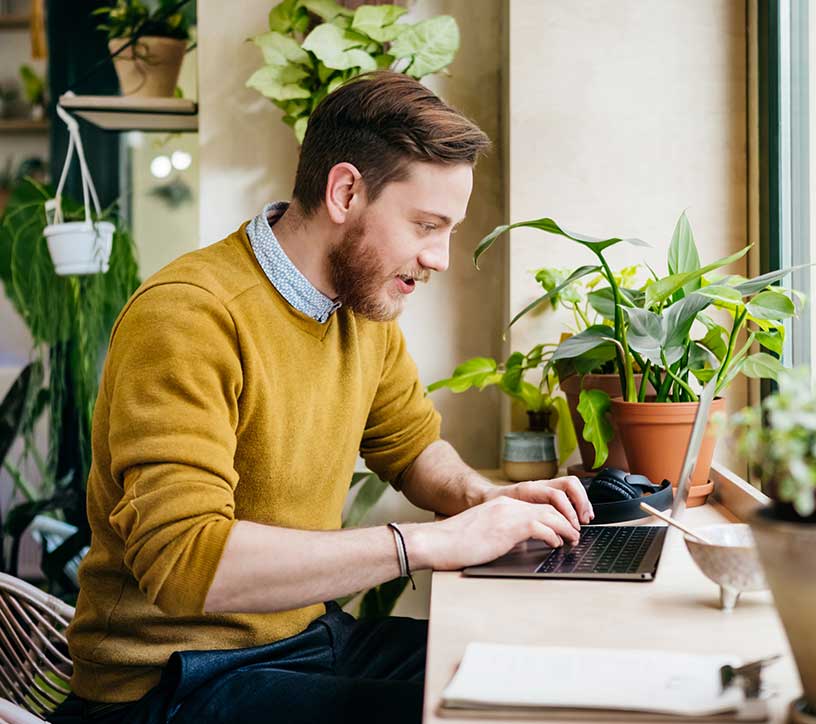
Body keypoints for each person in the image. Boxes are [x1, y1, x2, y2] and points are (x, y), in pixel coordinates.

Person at [50, 71, 592, 724]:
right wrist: (424, 544)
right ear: (344, 192)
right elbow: (186, 561)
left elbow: (413, 446)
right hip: (171, 682)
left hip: (304, 640)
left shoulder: (362, 308)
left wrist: (487, 501)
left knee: (532, 679)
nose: (441, 257)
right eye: (426, 224)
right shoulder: (190, 316)